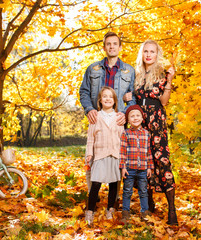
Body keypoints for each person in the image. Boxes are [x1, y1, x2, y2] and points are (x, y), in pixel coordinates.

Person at [124, 39, 178, 225]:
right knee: (141, 161)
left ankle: (172, 209)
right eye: (145, 51)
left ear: (157, 54)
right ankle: (149, 204)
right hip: (140, 121)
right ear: (142, 54)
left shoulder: (163, 73)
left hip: (156, 120)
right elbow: (131, 97)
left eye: (152, 51)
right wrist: (126, 97)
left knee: (161, 160)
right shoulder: (135, 74)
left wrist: (169, 81)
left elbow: (163, 101)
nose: (148, 54)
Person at [79, 31, 136, 197]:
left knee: (116, 159)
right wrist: (89, 109)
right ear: (104, 47)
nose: (112, 46)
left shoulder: (129, 71)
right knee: (92, 158)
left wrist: (125, 113)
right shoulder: (93, 68)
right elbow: (84, 91)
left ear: (120, 47)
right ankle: (92, 197)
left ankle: (114, 199)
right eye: (108, 44)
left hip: (117, 121)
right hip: (97, 119)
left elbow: (133, 98)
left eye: (115, 44)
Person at [84, 86, 124, 226]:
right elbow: (90, 138)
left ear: (114, 101)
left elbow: (122, 138)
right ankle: (90, 211)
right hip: (100, 154)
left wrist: (123, 156)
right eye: (105, 96)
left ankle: (110, 209)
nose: (108, 99)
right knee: (96, 183)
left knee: (114, 183)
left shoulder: (119, 118)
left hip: (115, 154)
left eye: (110, 97)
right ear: (100, 100)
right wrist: (89, 154)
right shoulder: (95, 117)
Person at [119, 105, 154, 224]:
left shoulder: (146, 133)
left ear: (142, 118)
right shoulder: (126, 133)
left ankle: (145, 212)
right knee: (127, 190)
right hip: (130, 168)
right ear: (128, 120)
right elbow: (122, 151)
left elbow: (148, 151)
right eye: (132, 116)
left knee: (143, 190)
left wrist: (150, 166)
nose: (135, 118)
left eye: (138, 115)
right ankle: (125, 213)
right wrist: (123, 167)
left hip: (143, 168)